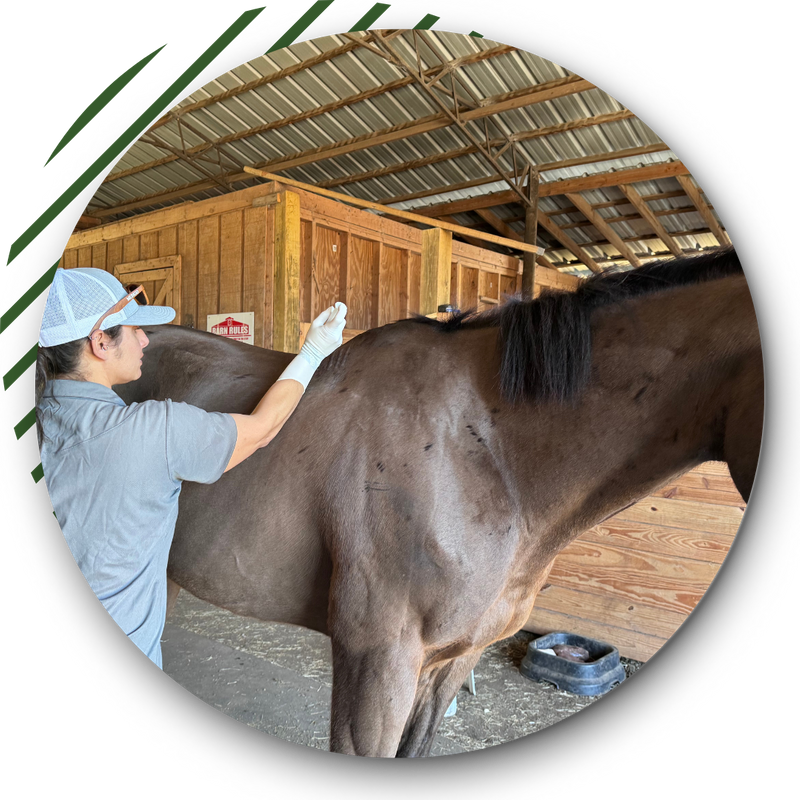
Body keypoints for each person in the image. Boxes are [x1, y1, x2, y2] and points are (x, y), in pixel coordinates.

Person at [35, 267, 347, 668]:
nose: (145, 339)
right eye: (134, 330)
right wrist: (312, 353)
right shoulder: (151, 431)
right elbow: (262, 429)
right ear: (100, 342)